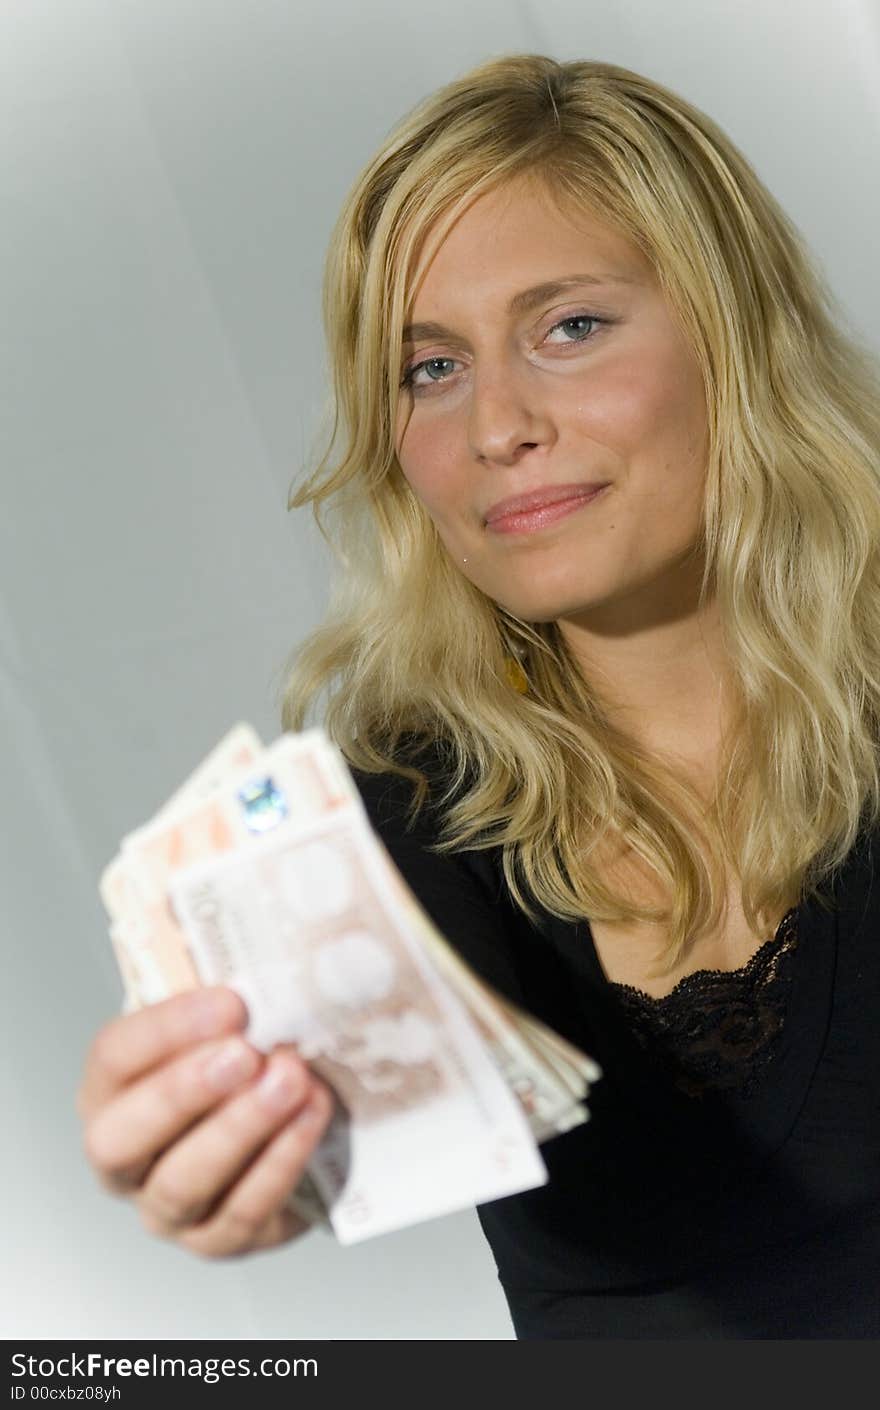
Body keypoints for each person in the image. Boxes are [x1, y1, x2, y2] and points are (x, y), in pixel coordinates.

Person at [77, 54, 880, 1338]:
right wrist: (230, 1144)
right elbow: (309, 1055)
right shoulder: (403, 816)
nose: (496, 423)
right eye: (429, 369)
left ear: (736, 335)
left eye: (569, 327)